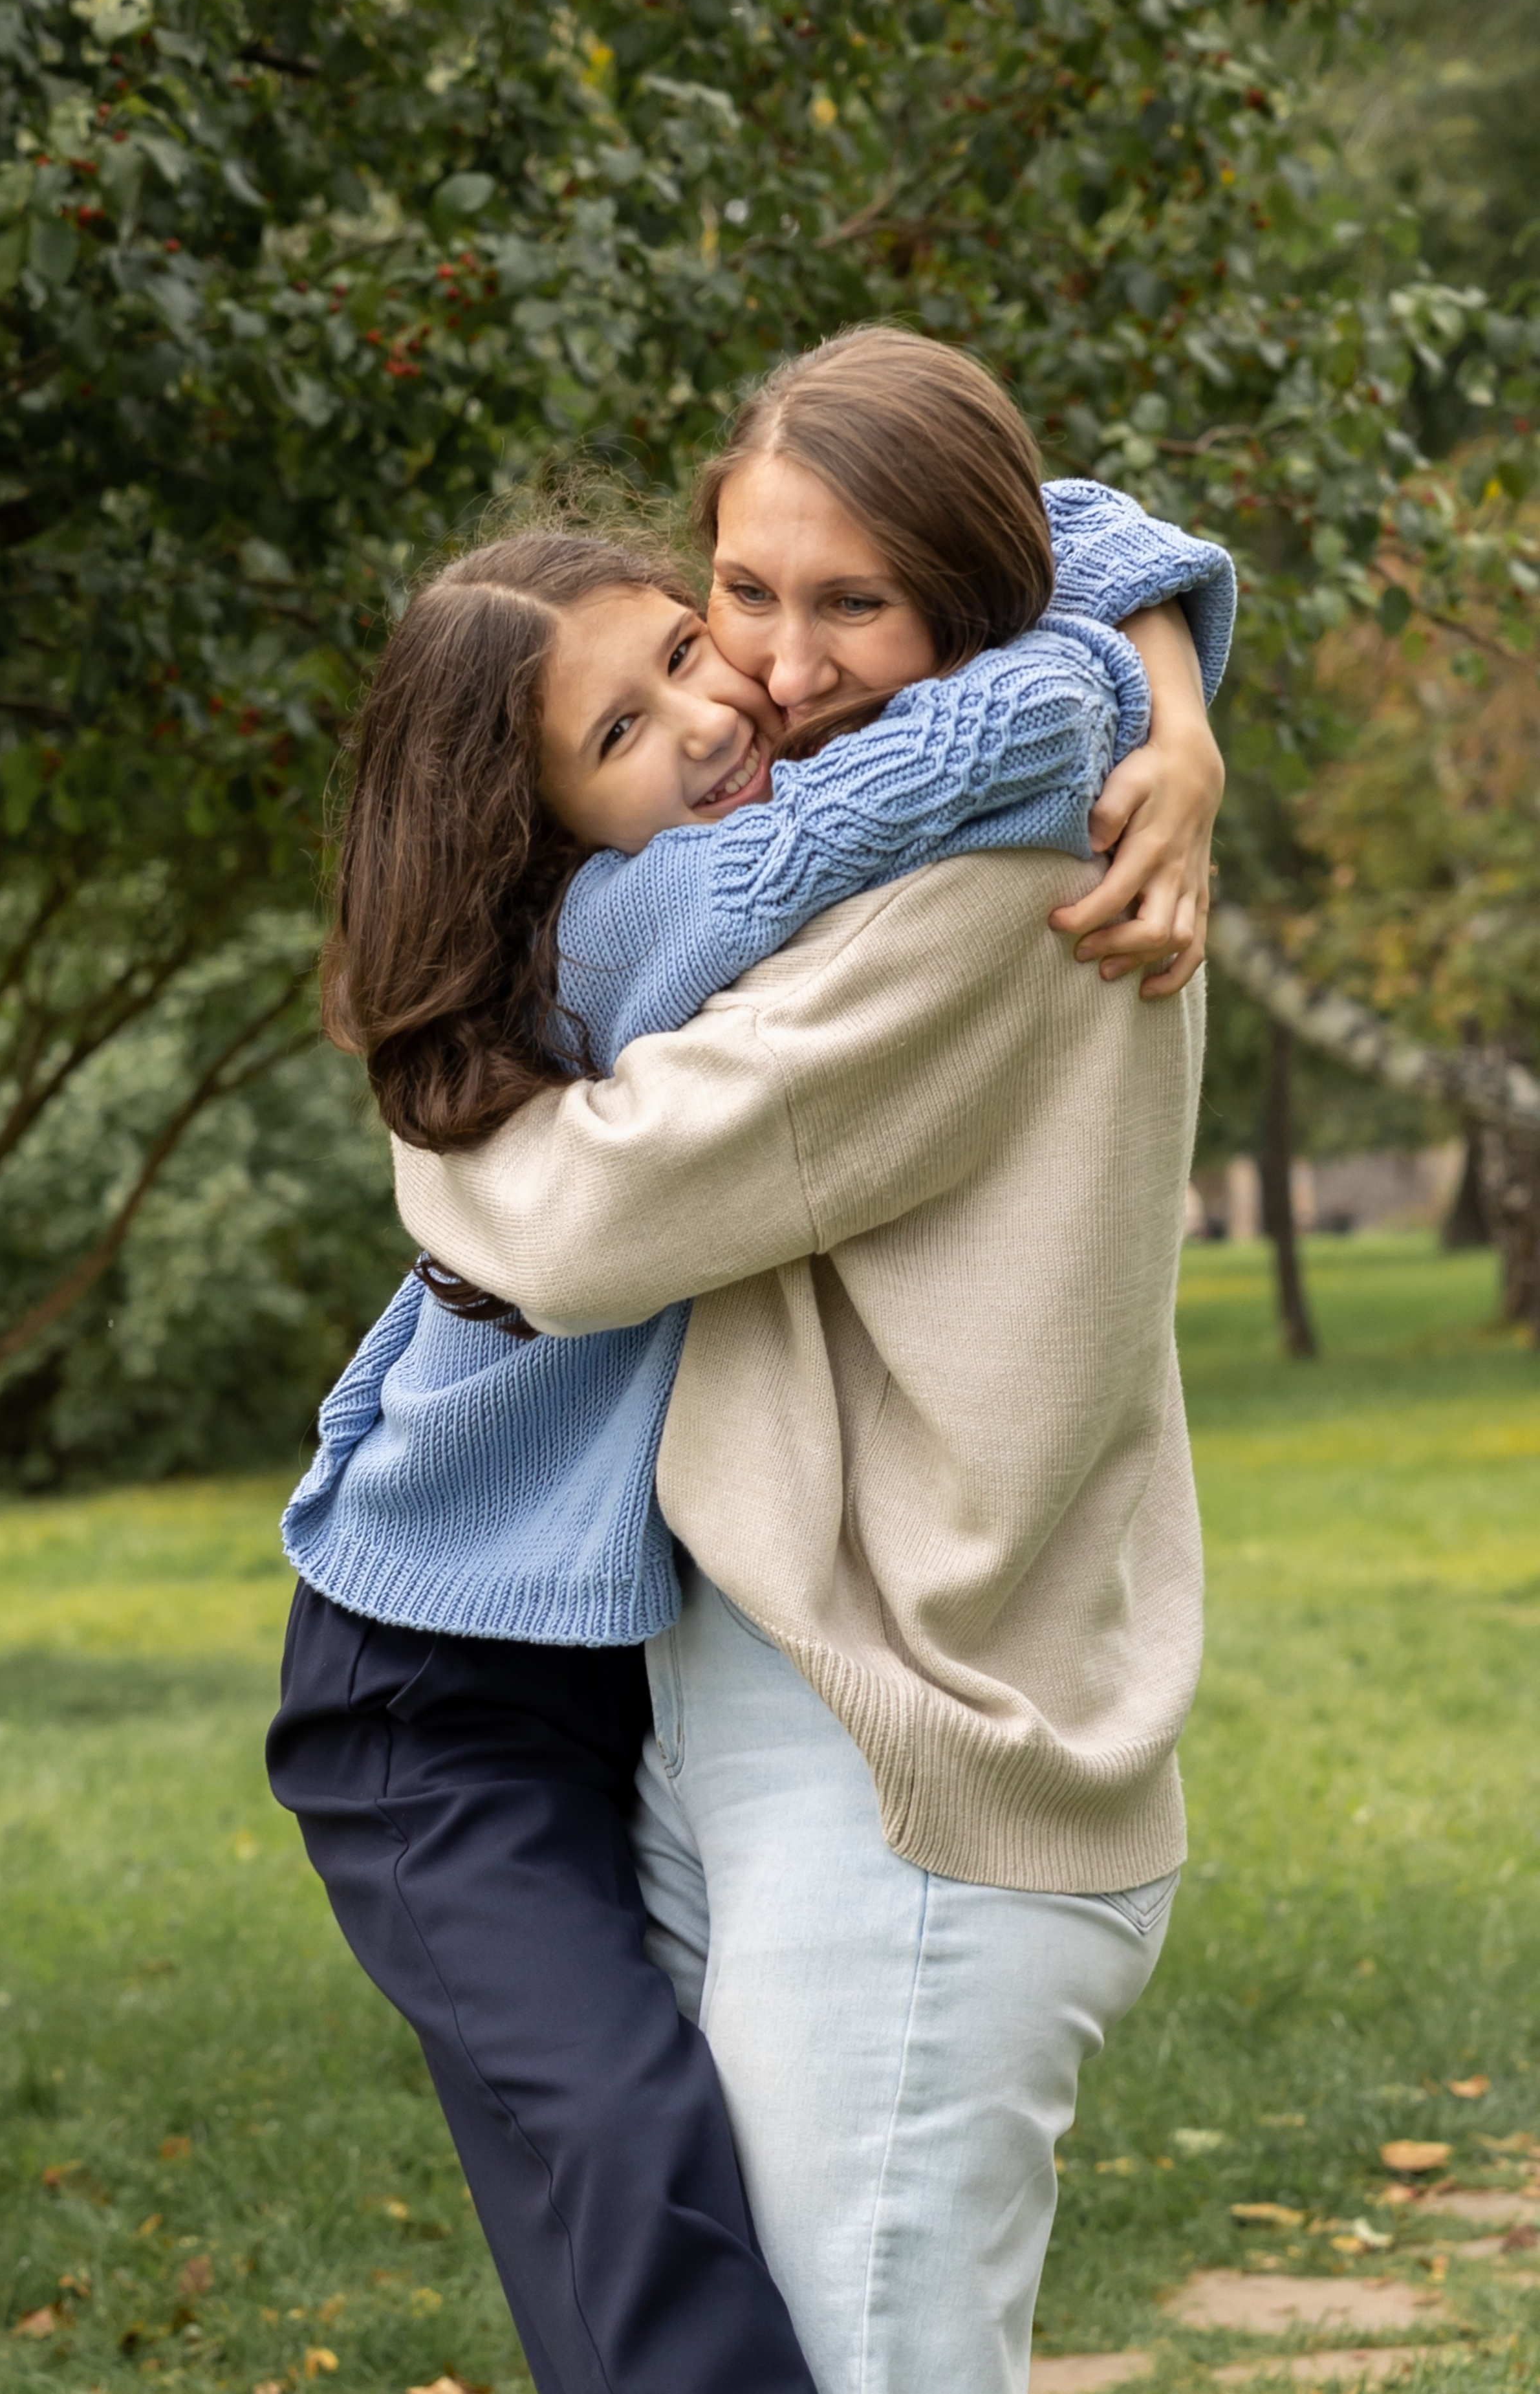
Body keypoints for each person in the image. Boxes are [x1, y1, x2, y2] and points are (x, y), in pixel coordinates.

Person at [380, 329, 1222, 2394]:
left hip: (915, 1747)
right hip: (775, 1690)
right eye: (742, 592)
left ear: (973, 594)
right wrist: (1182, 672)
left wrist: (424, 1109)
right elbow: (1092, 538)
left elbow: (578, 1219)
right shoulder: (910, 799)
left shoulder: (993, 883)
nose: (777, 659)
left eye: (855, 602)